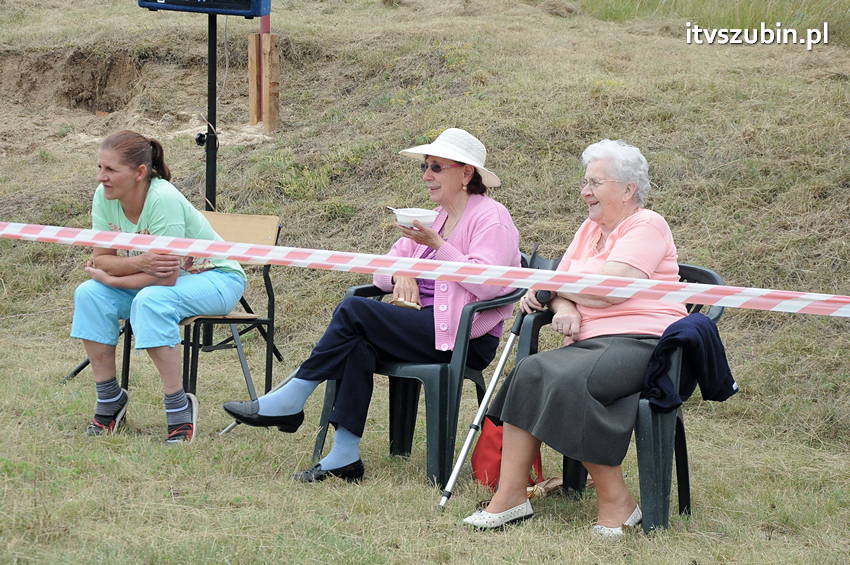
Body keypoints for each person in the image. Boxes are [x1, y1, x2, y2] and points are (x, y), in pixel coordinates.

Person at [223, 128, 521, 482]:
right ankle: (344, 457)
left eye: (436, 167)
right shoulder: (434, 218)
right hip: (422, 326)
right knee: (356, 342)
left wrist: (438, 246)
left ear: (466, 173)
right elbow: (381, 274)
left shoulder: (492, 217)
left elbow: (489, 285)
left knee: (355, 311)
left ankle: (293, 397)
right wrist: (403, 274)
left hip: (462, 336)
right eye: (425, 166)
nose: (426, 175)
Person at [463, 139, 687, 536]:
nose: (585, 191)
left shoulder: (647, 224)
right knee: (530, 370)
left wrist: (557, 291)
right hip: (590, 344)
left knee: (569, 381)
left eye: (595, 183)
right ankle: (512, 495)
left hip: (644, 342)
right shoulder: (589, 229)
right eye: (585, 182)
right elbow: (558, 287)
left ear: (627, 189)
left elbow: (610, 290)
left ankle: (617, 501)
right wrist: (563, 307)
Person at [71, 130, 246, 443]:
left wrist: (114, 277)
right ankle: (110, 400)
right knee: (89, 293)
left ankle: (179, 408)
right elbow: (101, 258)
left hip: (218, 278)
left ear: (140, 173)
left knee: (152, 299)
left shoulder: (162, 197)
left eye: (110, 170)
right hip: (156, 281)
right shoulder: (103, 197)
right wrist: (138, 264)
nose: (101, 177)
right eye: (100, 168)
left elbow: (165, 276)